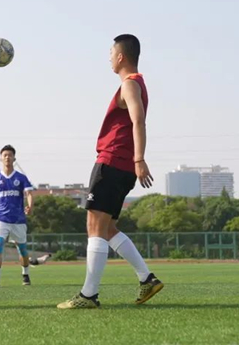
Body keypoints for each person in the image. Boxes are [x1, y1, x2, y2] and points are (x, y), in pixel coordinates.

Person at [57, 34, 163, 309]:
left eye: (111, 53)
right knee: (107, 229)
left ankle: (88, 295)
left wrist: (140, 158)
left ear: (121, 56)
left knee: (94, 226)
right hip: (122, 166)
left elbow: (138, 120)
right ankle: (147, 278)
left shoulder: (130, 84)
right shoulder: (137, 84)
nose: (109, 58)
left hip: (113, 162)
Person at [0, 145, 35, 288]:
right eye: (5, 155)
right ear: (1, 158)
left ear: (14, 158)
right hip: (1, 218)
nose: (7, 157)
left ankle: (25, 274)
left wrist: (30, 206)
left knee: (22, 249)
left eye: (10, 155)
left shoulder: (21, 177)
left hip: (18, 219)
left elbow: (29, 193)